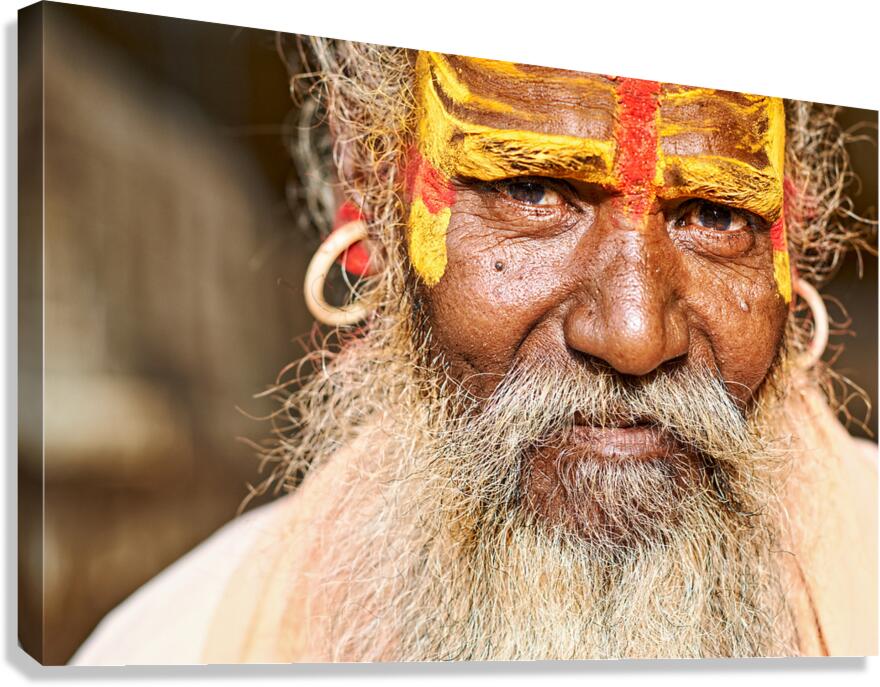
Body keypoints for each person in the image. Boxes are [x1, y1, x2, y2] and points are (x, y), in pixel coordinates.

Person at [72, 42, 877, 664]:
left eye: (713, 211)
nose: (635, 335)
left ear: (794, 221)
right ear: (378, 186)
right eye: (531, 191)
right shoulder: (164, 651)